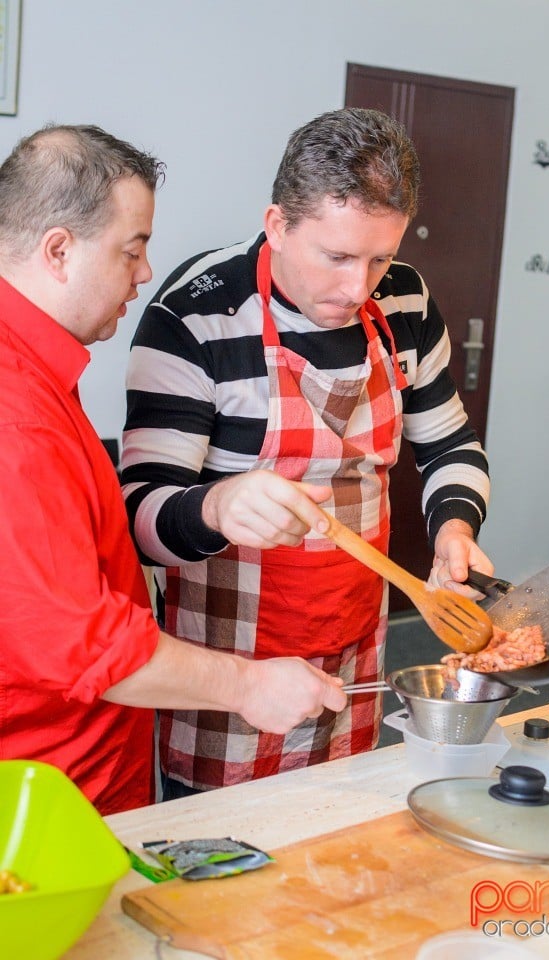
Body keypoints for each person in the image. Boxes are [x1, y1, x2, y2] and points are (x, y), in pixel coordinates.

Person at [122, 107, 493, 800]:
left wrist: (454, 530)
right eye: (338, 256)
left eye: (380, 256)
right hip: (225, 675)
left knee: (332, 848)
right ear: (278, 225)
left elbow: (450, 443)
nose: (360, 288)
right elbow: (140, 516)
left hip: (355, 649)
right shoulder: (196, 313)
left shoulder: (405, 300)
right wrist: (221, 505)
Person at [0, 124, 346, 817]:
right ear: (59, 250)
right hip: (49, 797)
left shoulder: (38, 372)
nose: (146, 271)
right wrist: (248, 686)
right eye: (133, 249)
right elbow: (79, 640)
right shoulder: (16, 415)